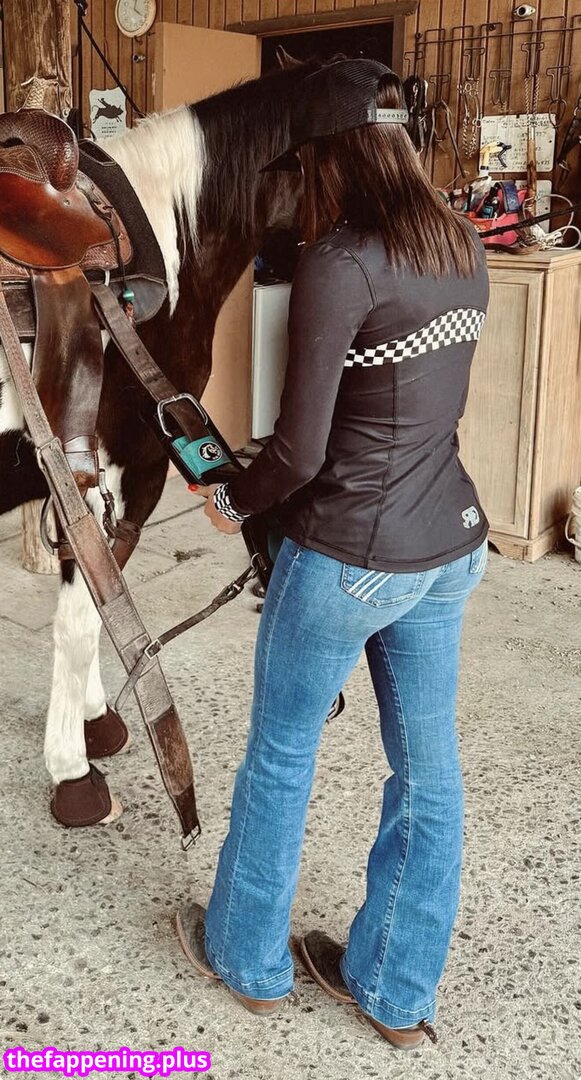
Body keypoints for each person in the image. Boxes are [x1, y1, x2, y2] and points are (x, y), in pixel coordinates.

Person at [176, 58, 490, 1051]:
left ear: (326, 157)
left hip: (350, 556)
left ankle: (248, 959)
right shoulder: (460, 241)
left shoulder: (341, 260)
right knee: (427, 775)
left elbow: (300, 454)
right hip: (449, 543)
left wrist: (231, 495)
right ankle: (394, 992)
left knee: (280, 754)